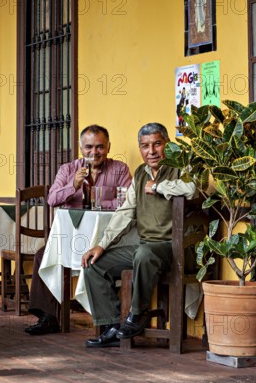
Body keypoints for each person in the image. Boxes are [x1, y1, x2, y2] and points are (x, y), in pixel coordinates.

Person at [80, 122, 197, 347]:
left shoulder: (181, 167)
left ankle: (138, 314)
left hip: (175, 248)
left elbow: (191, 189)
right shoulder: (140, 174)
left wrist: (158, 187)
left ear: (167, 144)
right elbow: (124, 213)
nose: (151, 151)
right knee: (94, 264)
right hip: (146, 248)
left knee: (144, 253)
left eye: (157, 144)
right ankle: (114, 326)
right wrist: (101, 245)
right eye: (145, 146)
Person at [24, 124, 132, 335]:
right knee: (42, 256)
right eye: (89, 147)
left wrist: (101, 201)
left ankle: (108, 321)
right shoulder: (67, 170)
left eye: (100, 147)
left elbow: (128, 202)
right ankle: (49, 317)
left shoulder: (120, 169)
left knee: (97, 262)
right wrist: (72, 185)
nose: (94, 153)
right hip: (72, 237)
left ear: (109, 146)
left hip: (106, 240)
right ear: (80, 147)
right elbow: (52, 199)